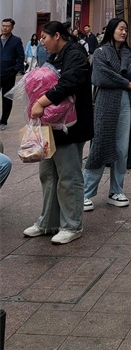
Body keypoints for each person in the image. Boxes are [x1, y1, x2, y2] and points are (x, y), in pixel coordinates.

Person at [23, 21, 93, 244]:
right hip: (51, 126)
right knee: (48, 174)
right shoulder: (54, 56)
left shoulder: (75, 54)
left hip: (70, 128)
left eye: (45, 37)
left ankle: (72, 225)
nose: (42, 42)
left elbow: (69, 82)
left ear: (57, 36)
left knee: (68, 176)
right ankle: (48, 222)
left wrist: (41, 102)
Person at [83, 18, 131, 210]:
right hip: (106, 101)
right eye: (120, 29)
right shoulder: (101, 52)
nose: (124, 32)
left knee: (122, 148)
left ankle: (116, 190)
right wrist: (126, 83)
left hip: (125, 101)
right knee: (100, 145)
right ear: (111, 30)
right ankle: (85, 192)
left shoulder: (128, 52)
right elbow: (100, 76)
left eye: (126, 29)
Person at [0, 18, 25, 129]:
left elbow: (20, 57)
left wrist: (14, 70)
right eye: (3, 25)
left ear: (12, 28)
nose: (5, 28)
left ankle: (3, 121)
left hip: (9, 75)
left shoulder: (16, 41)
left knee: (7, 99)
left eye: (7, 26)